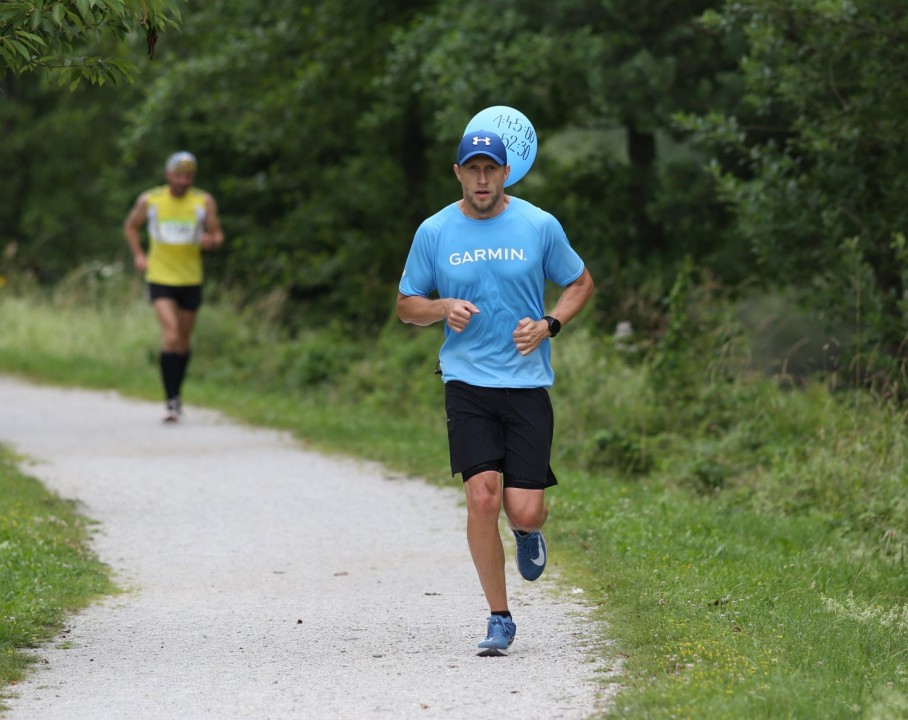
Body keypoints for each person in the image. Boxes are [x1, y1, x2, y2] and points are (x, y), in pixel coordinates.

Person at [396, 129, 595, 654]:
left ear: (507, 173)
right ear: (457, 172)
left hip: (527, 384)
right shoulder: (434, 231)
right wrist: (441, 308)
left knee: (523, 510)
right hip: (466, 382)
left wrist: (550, 324)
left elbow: (580, 283)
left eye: (491, 169)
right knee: (482, 497)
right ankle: (499, 617)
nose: (481, 179)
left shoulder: (538, 224)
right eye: (472, 169)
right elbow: (406, 304)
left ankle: (528, 532)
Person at [124, 151, 225, 422]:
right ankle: (170, 401)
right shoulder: (151, 200)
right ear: (168, 175)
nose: (183, 180)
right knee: (170, 335)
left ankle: (177, 394)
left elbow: (217, 234)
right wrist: (139, 254)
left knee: (182, 340)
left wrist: (211, 242)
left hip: (191, 279)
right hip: (160, 277)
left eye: (189, 176)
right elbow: (131, 226)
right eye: (179, 175)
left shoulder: (203, 202)